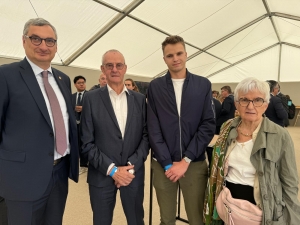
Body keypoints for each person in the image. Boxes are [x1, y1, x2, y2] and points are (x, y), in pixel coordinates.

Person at [0, 18, 79, 225]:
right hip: (21, 179)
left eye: (49, 41)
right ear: (24, 41)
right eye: (36, 39)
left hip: (59, 174)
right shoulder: (6, 76)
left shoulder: (63, 79)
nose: (43, 46)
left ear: (56, 46)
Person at [204, 77, 300, 225]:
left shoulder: (280, 135)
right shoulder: (227, 128)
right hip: (228, 205)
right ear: (236, 104)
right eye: (244, 100)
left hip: (261, 209)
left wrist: (291, 218)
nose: (250, 106)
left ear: (266, 105)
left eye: (257, 100)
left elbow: (290, 182)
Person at [147, 35, 215, 225]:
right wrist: (168, 163)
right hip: (163, 165)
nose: (175, 58)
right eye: (170, 55)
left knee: (196, 218)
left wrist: (186, 160)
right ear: (164, 59)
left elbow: (208, 124)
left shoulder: (203, 85)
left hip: (193, 163)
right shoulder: (155, 87)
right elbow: (153, 128)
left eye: (178, 53)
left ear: (186, 54)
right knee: (166, 218)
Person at [81, 49, 149, 225]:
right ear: (102, 69)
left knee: (136, 220)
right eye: (109, 66)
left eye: (119, 65)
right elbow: (87, 142)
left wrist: (130, 168)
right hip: (102, 175)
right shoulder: (91, 99)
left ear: (125, 68)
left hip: (132, 175)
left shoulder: (140, 100)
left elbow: (145, 136)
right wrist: (113, 170)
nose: (114, 69)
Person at [72, 75, 88, 174]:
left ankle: (84, 164)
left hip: (86, 125)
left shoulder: (90, 95)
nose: (82, 84)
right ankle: (78, 164)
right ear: (75, 84)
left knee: (85, 144)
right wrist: (73, 108)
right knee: (76, 144)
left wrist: (84, 109)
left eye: (83, 82)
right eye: (79, 83)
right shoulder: (72, 96)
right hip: (75, 124)